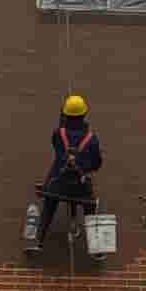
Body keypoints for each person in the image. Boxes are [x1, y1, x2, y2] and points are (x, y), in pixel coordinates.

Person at [28, 94, 102, 252]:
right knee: (90, 207)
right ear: (84, 114)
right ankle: (97, 248)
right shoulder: (92, 139)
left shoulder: (58, 134)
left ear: (65, 115)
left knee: (49, 204)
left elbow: (56, 146)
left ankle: (39, 241)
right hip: (81, 188)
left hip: (58, 184)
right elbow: (97, 164)